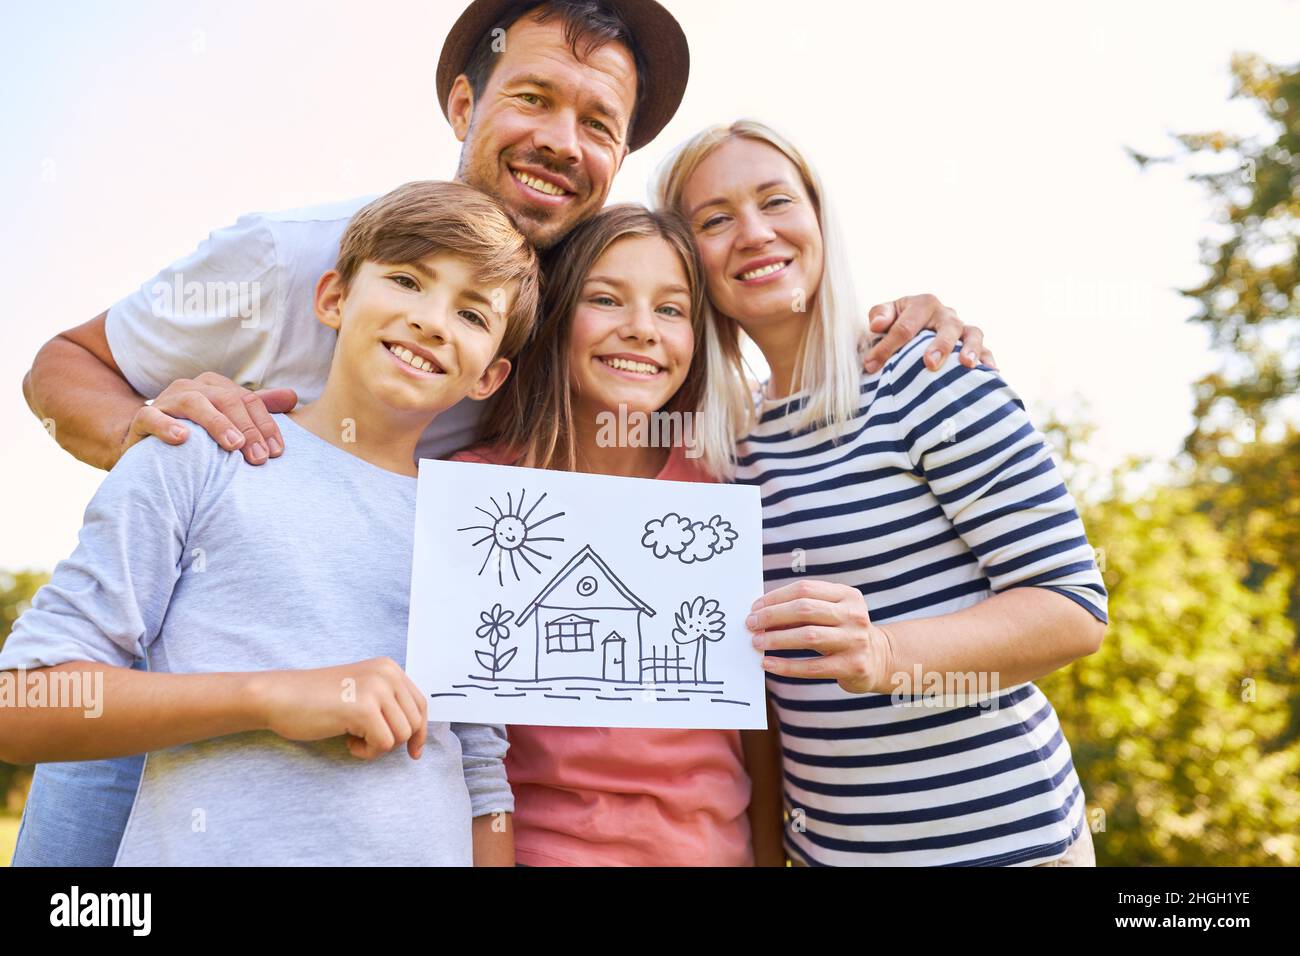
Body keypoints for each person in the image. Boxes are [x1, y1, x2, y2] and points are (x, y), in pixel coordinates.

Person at [15, 0, 984, 867]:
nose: (561, 138)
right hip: (181, 672)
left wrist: (877, 320)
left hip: (409, 731)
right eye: (533, 98)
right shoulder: (301, 253)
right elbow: (61, 363)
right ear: (461, 104)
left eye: (597, 122)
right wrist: (159, 433)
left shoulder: (567, 311)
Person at [0, 181, 541, 865]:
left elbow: (483, 777)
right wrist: (270, 697)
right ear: (333, 299)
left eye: (471, 313)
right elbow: (22, 704)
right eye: (407, 280)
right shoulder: (198, 453)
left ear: (489, 378)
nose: (433, 320)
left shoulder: (476, 530)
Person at [656, 120, 1107, 866]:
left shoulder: (929, 375)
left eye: (777, 201)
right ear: (687, 257)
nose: (756, 233)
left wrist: (886, 652)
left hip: (1004, 845)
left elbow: (1071, 609)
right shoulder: (722, 448)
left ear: (819, 219)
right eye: (715, 218)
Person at [457, 202, 783, 866]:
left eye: (670, 310)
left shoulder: (721, 491)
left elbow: (759, 730)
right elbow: (464, 741)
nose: (641, 330)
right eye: (606, 299)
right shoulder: (478, 494)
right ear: (556, 316)